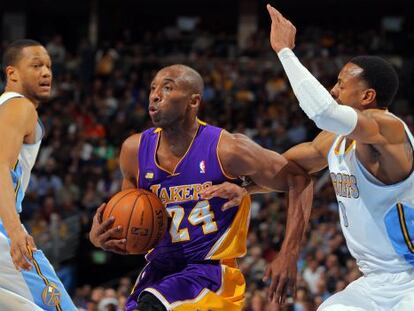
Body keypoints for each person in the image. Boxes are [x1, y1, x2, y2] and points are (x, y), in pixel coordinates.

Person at [89, 64, 314, 311]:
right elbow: (129, 227)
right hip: (157, 274)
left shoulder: (228, 150)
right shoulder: (133, 151)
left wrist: (289, 253)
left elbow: (298, 179)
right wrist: (101, 238)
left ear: (193, 101)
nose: (155, 95)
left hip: (211, 276)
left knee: (152, 305)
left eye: (167, 88)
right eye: (153, 88)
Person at [0, 39, 76, 310]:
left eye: (48, 66)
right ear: (12, 73)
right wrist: (14, 230)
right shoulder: (20, 106)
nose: (46, 72)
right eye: (36, 65)